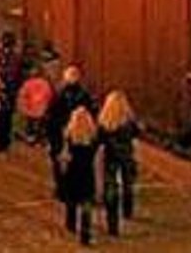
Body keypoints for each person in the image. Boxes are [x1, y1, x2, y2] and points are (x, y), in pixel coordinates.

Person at [46, 66, 98, 195]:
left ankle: (62, 188)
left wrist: (50, 135)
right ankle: (83, 189)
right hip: (80, 134)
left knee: (60, 162)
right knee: (83, 163)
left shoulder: (59, 94)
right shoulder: (84, 94)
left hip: (63, 133)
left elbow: (51, 116)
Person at [96, 89, 140, 237]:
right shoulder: (129, 122)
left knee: (111, 188)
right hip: (126, 156)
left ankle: (112, 224)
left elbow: (99, 141)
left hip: (111, 157)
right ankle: (128, 210)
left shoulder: (104, 122)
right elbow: (136, 135)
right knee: (128, 183)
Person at [58, 105, 100, 246]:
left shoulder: (69, 136)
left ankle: (70, 223)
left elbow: (65, 155)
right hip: (87, 171)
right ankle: (85, 233)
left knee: (72, 199)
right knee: (86, 203)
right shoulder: (93, 138)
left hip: (73, 170)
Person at [17, 65, 55, 146]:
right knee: (38, 123)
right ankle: (37, 137)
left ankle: (32, 136)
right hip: (40, 108)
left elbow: (22, 95)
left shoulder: (28, 83)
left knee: (32, 122)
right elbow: (49, 96)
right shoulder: (45, 84)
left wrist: (24, 106)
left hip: (31, 108)